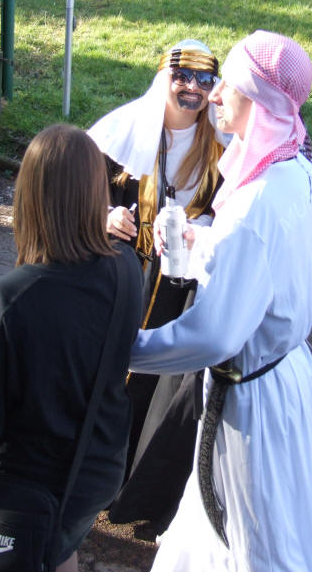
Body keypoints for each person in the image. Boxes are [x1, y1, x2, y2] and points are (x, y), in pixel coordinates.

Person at [94, 30, 312, 572]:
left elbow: (213, 335)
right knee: (202, 527)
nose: (215, 93)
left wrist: (121, 349)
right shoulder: (300, 175)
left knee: (261, 546)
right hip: (281, 371)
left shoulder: (256, 203)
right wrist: (211, 250)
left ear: (257, 99)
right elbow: (286, 272)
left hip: (253, 392)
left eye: (229, 85)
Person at [0, 125, 143, 572]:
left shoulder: (9, 299)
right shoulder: (126, 266)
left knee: (39, 562)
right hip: (99, 464)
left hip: (39, 485)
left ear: (30, 194)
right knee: (20, 570)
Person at [87, 39, 228, 532]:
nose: (192, 88)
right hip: (124, 280)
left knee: (164, 394)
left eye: (205, 80)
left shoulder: (222, 144)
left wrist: (204, 231)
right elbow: (71, 191)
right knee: (109, 382)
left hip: (184, 290)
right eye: (182, 77)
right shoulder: (123, 130)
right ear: (163, 77)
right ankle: (92, 484)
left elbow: (234, 213)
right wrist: (102, 217)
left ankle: (141, 496)